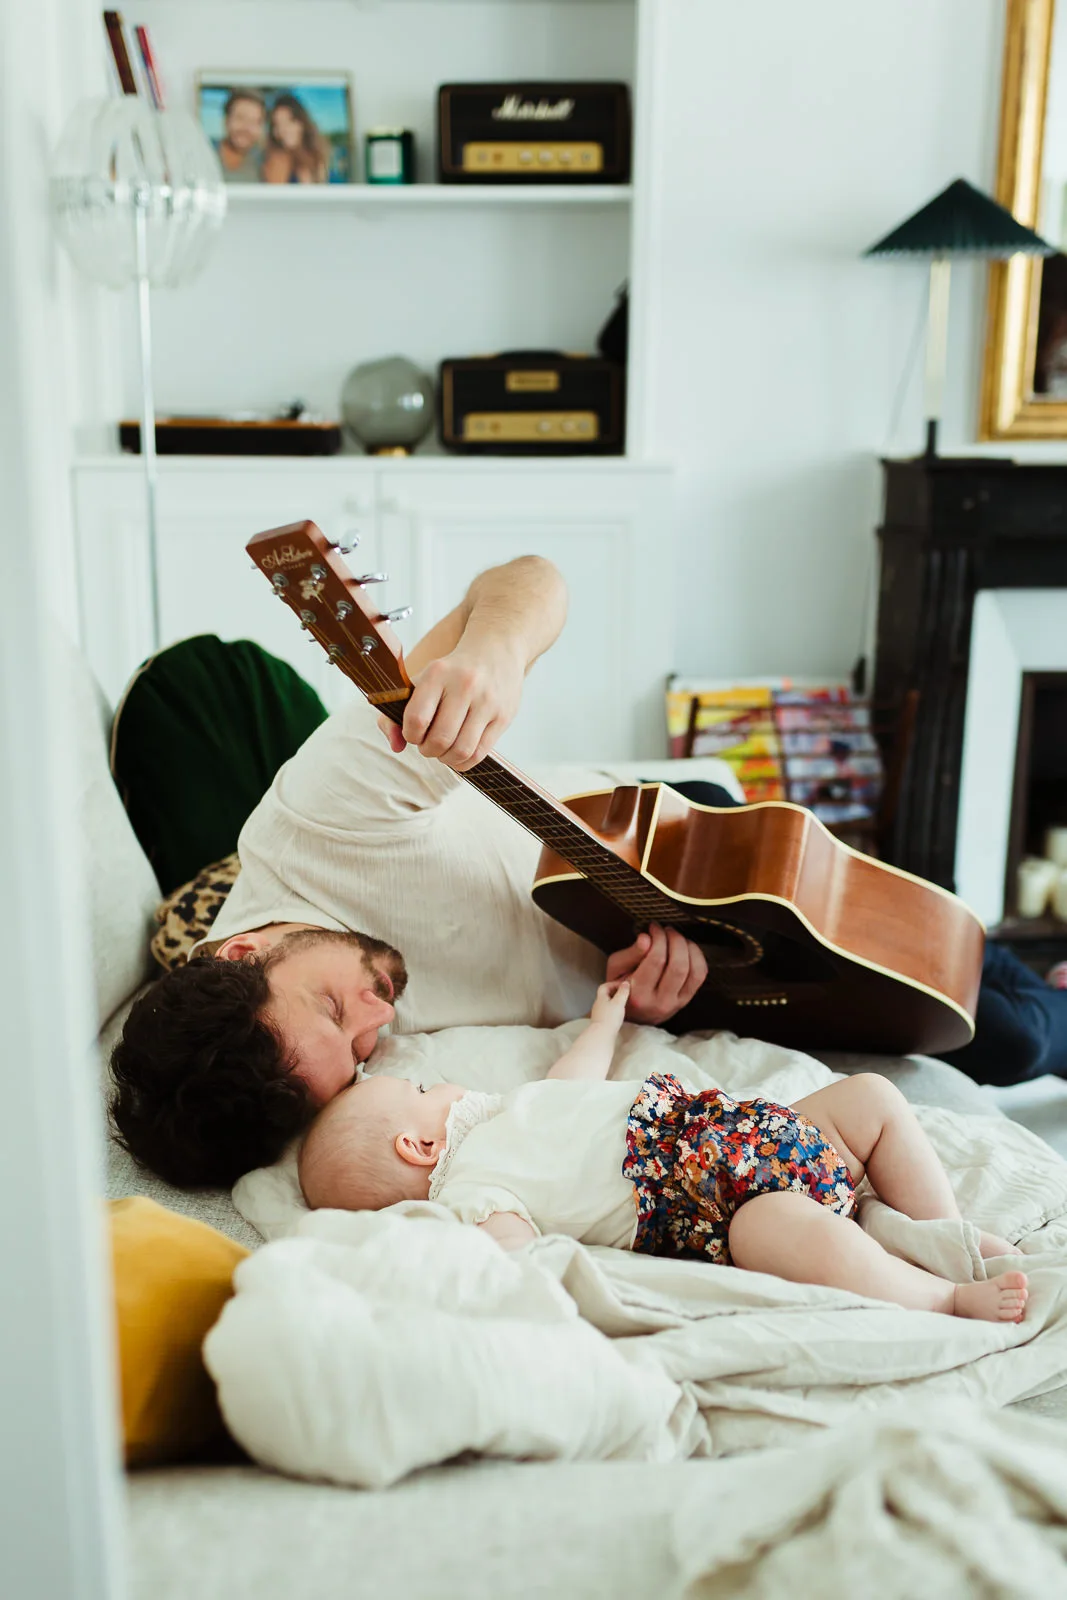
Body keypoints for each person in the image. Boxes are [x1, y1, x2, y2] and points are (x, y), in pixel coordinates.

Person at [110, 556, 709, 1188]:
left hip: (668, 831)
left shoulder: (320, 815)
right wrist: (637, 1012)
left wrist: (495, 655)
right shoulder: (336, 1084)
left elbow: (530, 580)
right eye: (356, 1055)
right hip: (684, 967)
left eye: (334, 1007)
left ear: (241, 952)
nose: (381, 1020)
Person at [298, 979, 1029, 1326]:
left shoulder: (513, 1108)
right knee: (775, 1232)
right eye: (421, 1087)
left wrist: (605, 1018)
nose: (437, 1082)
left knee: (869, 1098)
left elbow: (571, 1078)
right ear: (419, 1142)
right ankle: (941, 1296)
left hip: (744, 1130)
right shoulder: (472, 1189)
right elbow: (511, 1255)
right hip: (712, 1202)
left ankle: (944, 1234)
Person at [261, 94, 329, 185]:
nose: (283, 130)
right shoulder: (278, 160)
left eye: (290, 121)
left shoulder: (316, 157)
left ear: (302, 123)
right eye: (277, 124)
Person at [214, 90, 267, 183]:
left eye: (254, 122)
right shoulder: (205, 153)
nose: (246, 128)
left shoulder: (263, 161)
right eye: (240, 118)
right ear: (226, 120)